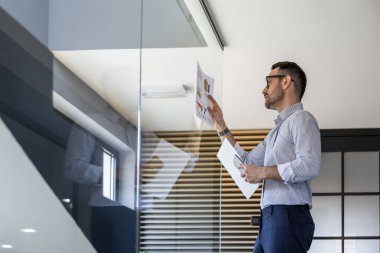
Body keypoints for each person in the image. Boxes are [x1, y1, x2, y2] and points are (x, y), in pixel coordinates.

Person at [208, 61, 321, 253]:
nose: (263, 89)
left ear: (286, 82)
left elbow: (310, 165)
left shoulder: (302, 118)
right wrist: (221, 126)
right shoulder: (274, 133)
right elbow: (247, 164)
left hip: (287, 216)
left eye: (268, 82)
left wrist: (263, 172)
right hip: (271, 217)